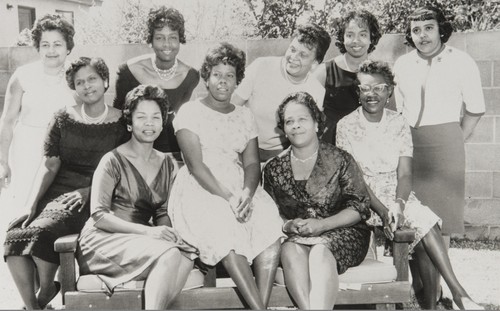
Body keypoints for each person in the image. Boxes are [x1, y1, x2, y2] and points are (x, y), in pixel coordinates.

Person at [336, 60, 483, 310]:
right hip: (362, 197)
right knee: (423, 230)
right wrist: (383, 211)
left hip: (396, 193)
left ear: (390, 90)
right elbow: (355, 179)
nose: (372, 94)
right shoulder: (345, 126)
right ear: (357, 92)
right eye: (365, 88)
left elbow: (404, 173)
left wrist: (399, 205)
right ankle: (456, 296)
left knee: (425, 226)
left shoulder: (399, 123)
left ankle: (444, 298)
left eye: (379, 88)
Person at [3, 57, 126, 310]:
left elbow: (124, 170)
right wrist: (33, 203)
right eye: (79, 82)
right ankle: (35, 306)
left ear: (105, 81)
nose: (86, 86)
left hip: (97, 196)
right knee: (15, 233)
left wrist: (90, 191)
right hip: (58, 192)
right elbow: (50, 166)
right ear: (74, 87)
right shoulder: (62, 118)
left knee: (41, 232)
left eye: (92, 79)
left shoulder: (122, 122)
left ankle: (47, 289)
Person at [168, 42, 284, 310]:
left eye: (230, 75)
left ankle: (259, 306)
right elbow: (196, 166)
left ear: (237, 81)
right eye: (217, 74)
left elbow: (252, 163)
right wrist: (230, 197)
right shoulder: (190, 112)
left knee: (267, 220)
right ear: (206, 78)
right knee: (224, 225)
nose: (223, 81)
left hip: (240, 185)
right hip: (202, 187)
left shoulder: (245, 115)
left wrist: (246, 192)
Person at [77, 85, 198, 309]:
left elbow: (163, 213)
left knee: (187, 254)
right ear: (130, 122)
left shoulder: (168, 164)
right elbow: (99, 216)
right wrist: (150, 232)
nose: (149, 123)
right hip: (104, 238)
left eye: (155, 117)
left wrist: (170, 234)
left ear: (163, 123)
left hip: (141, 241)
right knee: (170, 255)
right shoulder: (111, 160)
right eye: (141, 117)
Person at [263, 92, 371, 309]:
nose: (295, 126)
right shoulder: (274, 168)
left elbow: (359, 207)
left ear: (316, 123)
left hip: (344, 232)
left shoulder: (340, 159)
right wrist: (288, 224)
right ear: (283, 128)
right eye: (289, 121)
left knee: (321, 251)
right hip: (298, 236)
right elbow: (269, 212)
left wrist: (322, 225)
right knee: (289, 250)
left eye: (302, 119)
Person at [393, 6, 485, 241]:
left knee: (441, 221)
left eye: (429, 28)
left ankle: (436, 279)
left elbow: (475, 109)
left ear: (441, 29)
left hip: (447, 145)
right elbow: (398, 109)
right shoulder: (402, 64)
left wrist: (455, 138)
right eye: (416, 30)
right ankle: (417, 279)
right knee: (412, 217)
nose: (422, 35)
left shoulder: (461, 61)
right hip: (410, 145)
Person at [0, 14, 77, 215]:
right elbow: (7, 121)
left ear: (68, 47)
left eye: (57, 44)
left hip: (62, 152)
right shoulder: (22, 75)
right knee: (22, 205)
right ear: (38, 47)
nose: (51, 50)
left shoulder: (77, 76)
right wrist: (2, 161)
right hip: (26, 149)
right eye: (45, 45)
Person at [232, 24, 330, 161]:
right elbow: (231, 107)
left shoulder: (316, 92)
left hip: (280, 156)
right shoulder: (261, 66)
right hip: (241, 148)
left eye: (303, 54)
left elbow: (304, 138)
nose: (293, 57)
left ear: (315, 63)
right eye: (292, 49)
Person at [113, 6, 200, 156]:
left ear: (180, 40)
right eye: (159, 37)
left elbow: (182, 117)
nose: (167, 44)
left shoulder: (190, 76)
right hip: (134, 149)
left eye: (173, 37)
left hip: (172, 151)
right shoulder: (128, 71)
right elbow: (118, 118)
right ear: (151, 41)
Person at [313, 10, 382, 145]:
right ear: (342, 37)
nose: (356, 41)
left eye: (363, 34)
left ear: (371, 38)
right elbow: (307, 112)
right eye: (350, 35)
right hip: (332, 145)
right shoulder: (325, 71)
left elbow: (389, 115)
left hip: (368, 144)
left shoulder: (380, 73)